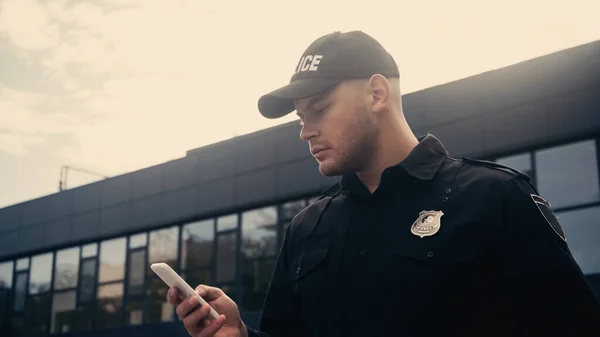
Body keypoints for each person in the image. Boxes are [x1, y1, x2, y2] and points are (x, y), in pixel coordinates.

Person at [167, 30, 600, 337]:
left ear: (377, 94)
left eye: (319, 109)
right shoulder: (307, 229)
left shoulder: (493, 198)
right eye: (301, 118)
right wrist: (238, 333)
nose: (306, 131)